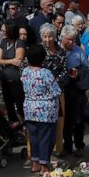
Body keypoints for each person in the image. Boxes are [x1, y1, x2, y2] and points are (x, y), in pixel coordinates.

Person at [21, 44, 61, 173]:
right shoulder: (45, 73)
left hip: (29, 108)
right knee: (46, 138)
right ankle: (44, 165)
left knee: (33, 138)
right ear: (43, 59)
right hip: (45, 111)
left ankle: (34, 163)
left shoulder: (25, 71)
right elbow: (56, 91)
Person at [58, 25, 87, 157]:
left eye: (73, 40)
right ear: (62, 37)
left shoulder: (78, 51)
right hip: (62, 89)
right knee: (65, 120)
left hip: (76, 88)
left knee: (78, 119)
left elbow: (87, 69)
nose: (71, 42)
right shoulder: (56, 50)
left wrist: (79, 72)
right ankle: (67, 146)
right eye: (69, 39)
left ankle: (80, 145)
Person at [39, 24, 68, 156]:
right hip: (42, 93)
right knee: (43, 124)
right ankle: (39, 152)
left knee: (59, 121)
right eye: (45, 36)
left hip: (58, 90)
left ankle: (58, 149)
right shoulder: (38, 50)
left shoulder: (60, 51)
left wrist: (54, 82)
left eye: (50, 36)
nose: (48, 39)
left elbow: (64, 71)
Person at [0, 22, 27, 126]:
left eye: (4, 31)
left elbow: (19, 60)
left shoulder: (19, 42)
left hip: (16, 80)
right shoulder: (3, 42)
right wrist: (10, 61)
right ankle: (14, 124)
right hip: (5, 79)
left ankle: (22, 124)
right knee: (8, 104)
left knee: (19, 104)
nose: (2, 33)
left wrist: (5, 61)